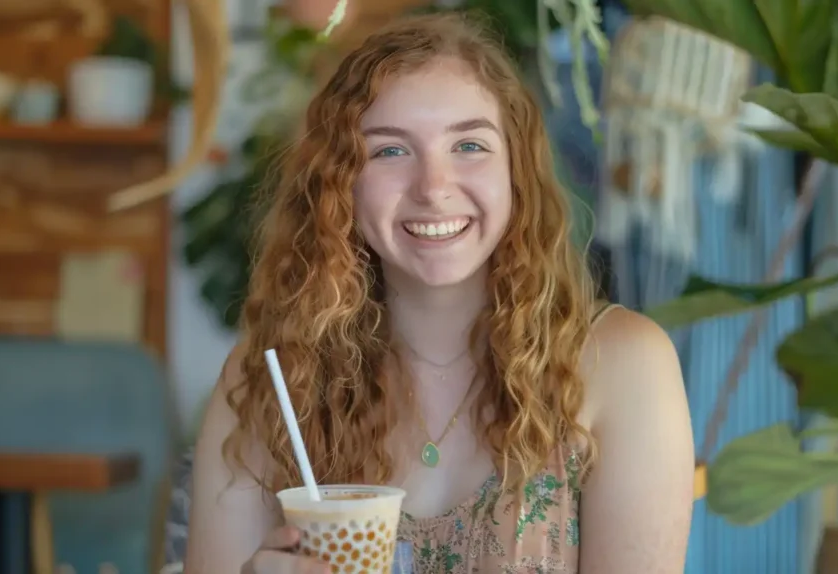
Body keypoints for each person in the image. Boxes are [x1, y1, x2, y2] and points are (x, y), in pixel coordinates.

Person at [186, 12, 694, 574]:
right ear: (340, 185)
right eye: (389, 151)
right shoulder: (267, 380)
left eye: (469, 145)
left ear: (516, 171)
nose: (433, 188)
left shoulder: (623, 366)